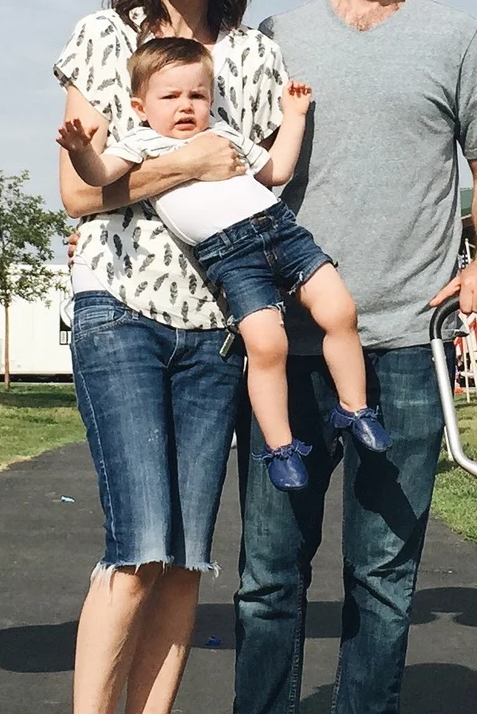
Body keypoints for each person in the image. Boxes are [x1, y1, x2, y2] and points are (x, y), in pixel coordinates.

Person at [190, 0, 477, 714]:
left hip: (403, 345)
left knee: (382, 577)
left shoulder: (454, 38)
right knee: (267, 576)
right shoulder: (272, 39)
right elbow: (217, 159)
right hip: (284, 348)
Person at [47, 0, 287, 714]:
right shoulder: (103, 38)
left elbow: (265, 184)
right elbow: (78, 195)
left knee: (186, 561)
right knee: (136, 544)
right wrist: (187, 164)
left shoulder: (258, 56)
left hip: (215, 330)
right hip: (123, 313)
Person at [61, 41, 384, 489]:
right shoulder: (142, 144)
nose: (185, 105)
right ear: (139, 107)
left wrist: (294, 116)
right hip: (231, 256)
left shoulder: (222, 133)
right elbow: (98, 177)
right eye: (170, 96)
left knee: (340, 311)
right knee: (267, 345)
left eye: (197, 95)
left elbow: (276, 172)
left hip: (281, 230)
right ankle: (281, 447)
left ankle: (355, 408)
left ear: (210, 99)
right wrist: (82, 151)